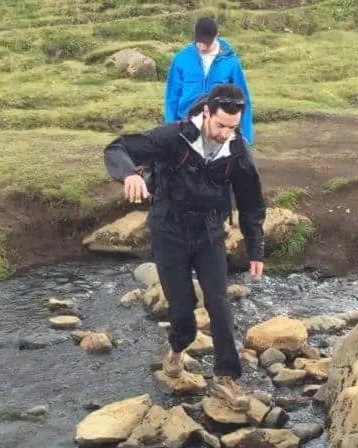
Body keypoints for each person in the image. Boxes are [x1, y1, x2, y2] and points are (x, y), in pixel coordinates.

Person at [104, 83, 265, 411]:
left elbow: (250, 202)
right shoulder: (172, 138)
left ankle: (226, 378)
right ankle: (176, 351)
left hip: (209, 233)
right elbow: (118, 148)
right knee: (183, 316)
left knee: (219, 302)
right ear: (206, 112)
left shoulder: (236, 150)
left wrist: (255, 248)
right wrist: (129, 177)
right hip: (169, 231)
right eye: (220, 125)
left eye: (232, 127)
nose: (225, 133)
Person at [164, 16, 255, 147]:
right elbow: (172, 96)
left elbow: (243, 99)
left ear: (216, 36)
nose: (202, 46)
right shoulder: (181, 58)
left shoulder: (231, 62)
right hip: (186, 123)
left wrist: (246, 139)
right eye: (199, 42)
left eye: (206, 43)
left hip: (218, 125)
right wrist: (170, 130)